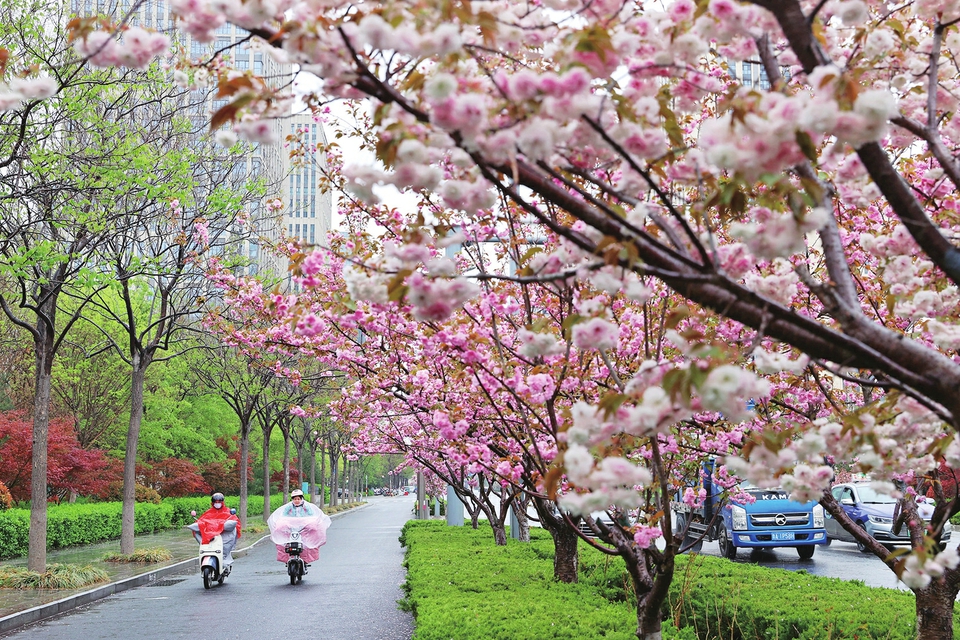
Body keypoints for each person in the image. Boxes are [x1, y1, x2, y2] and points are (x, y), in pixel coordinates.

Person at [268, 489, 331, 564]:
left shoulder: (306, 506)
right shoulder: (289, 506)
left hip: (303, 527)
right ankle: (286, 558)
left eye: (298, 499)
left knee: (310, 536)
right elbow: (284, 515)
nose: (297, 501)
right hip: (292, 527)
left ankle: (305, 559)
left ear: (301, 499)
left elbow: (311, 514)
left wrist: (308, 522)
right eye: (295, 499)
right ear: (292, 499)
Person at [195, 491, 241, 565]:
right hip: (211, 537)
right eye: (215, 502)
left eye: (219, 501)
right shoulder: (208, 512)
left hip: (224, 536)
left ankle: (225, 556)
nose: (217, 503)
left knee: (233, 531)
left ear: (222, 502)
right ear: (212, 503)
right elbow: (201, 520)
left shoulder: (228, 512)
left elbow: (235, 521)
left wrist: (225, 525)